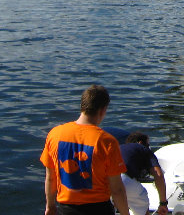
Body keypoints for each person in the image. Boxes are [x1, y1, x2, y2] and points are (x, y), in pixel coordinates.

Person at [41, 85, 130, 215]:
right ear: (103, 110)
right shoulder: (107, 141)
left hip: (66, 210)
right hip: (99, 209)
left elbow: (50, 178)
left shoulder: (54, 135)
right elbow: (116, 190)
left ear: (82, 106)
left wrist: (50, 206)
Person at [120, 132, 168, 215]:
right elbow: (158, 174)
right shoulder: (142, 148)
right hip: (123, 178)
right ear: (141, 142)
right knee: (142, 203)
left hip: (104, 180)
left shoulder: (118, 147)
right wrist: (163, 203)